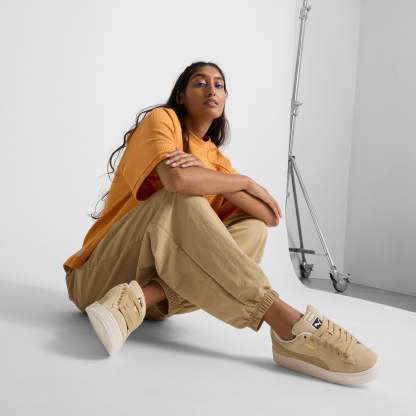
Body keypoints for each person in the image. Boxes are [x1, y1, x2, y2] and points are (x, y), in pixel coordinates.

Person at [63, 61, 380, 386]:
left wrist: (220, 177)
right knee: (181, 199)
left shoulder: (215, 159)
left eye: (218, 84)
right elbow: (176, 180)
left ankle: (138, 299)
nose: (211, 90)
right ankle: (288, 324)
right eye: (200, 83)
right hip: (96, 277)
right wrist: (241, 182)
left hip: (155, 310)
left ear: (226, 97)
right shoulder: (163, 120)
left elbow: (268, 216)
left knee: (252, 228)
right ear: (182, 95)